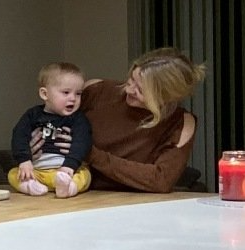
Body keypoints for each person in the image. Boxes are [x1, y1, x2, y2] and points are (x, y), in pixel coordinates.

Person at [40, 48, 207, 193]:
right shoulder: (97, 91)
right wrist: (35, 142)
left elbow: (161, 180)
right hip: (69, 190)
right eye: (131, 79)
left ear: (166, 96)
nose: (128, 89)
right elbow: (47, 120)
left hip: (130, 205)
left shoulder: (181, 123)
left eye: (140, 90)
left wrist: (90, 154)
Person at [8, 62, 93, 198]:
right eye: (66, 92)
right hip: (37, 171)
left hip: (65, 171)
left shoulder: (78, 119)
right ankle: (30, 186)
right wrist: (24, 160)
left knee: (85, 175)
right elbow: (19, 135)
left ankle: (68, 188)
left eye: (78, 94)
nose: (73, 98)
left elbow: (82, 142)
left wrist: (69, 166)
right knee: (13, 174)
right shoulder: (33, 115)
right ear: (44, 94)